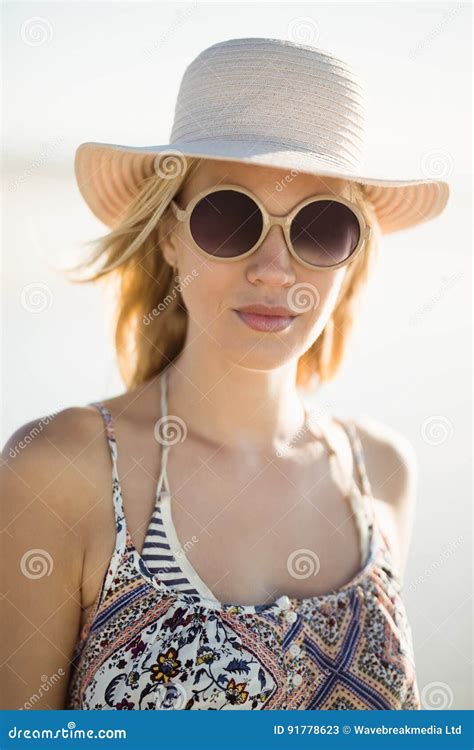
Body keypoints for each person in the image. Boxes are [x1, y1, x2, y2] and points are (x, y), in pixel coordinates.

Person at [1, 37, 449, 710]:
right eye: (229, 217)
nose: (274, 270)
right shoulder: (60, 471)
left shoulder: (380, 474)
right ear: (170, 234)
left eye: (321, 226)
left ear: (353, 253)